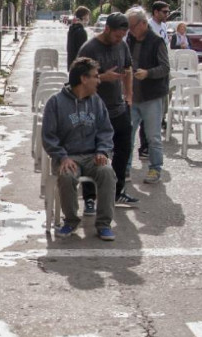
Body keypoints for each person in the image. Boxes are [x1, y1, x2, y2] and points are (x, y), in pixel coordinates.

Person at [42, 57, 117, 241]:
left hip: (92, 156)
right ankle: (71, 221)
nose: (98, 81)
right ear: (84, 79)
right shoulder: (56, 102)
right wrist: (62, 157)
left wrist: (102, 151)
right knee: (67, 176)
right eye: (95, 77)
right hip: (68, 156)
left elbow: (106, 130)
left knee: (107, 172)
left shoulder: (96, 101)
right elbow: (48, 136)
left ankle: (104, 224)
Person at [76, 12, 139, 212]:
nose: (119, 39)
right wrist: (103, 77)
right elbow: (78, 81)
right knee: (92, 153)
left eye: (122, 35)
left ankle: (117, 191)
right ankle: (90, 197)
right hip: (93, 110)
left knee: (123, 150)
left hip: (118, 108)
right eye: (116, 35)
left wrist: (129, 95)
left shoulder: (122, 45)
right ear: (106, 29)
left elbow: (128, 69)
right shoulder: (89, 48)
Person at [126, 7, 169, 184]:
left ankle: (155, 168)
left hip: (151, 96)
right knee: (127, 135)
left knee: (153, 136)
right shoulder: (129, 39)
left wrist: (148, 73)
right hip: (131, 96)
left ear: (143, 23)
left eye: (133, 26)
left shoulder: (156, 41)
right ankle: (124, 168)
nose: (130, 30)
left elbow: (165, 68)